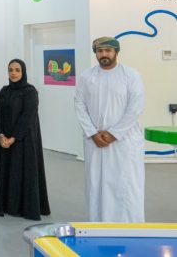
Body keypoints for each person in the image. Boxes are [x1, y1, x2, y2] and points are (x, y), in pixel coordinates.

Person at [75, 36, 145, 222]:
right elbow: (79, 105)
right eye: (100, 51)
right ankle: (98, 225)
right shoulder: (86, 77)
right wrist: (92, 133)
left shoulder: (131, 75)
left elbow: (135, 107)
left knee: (125, 185)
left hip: (124, 142)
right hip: (95, 142)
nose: (104, 54)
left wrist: (114, 133)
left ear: (116, 52)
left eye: (108, 50)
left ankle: (129, 228)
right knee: (96, 184)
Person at [0, 59, 50, 221]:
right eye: (10, 70)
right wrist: (1, 135)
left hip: (24, 141)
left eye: (17, 70)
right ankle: (7, 205)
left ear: (23, 72)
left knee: (23, 172)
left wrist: (13, 138)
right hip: (5, 140)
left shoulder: (30, 92)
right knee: (8, 171)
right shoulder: (4, 90)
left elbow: (27, 117)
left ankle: (23, 207)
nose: (13, 73)